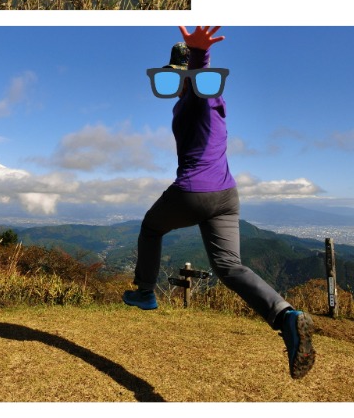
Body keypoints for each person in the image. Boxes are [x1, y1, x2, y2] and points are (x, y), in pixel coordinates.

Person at [123, 26, 316, 380]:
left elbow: (204, 85)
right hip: (226, 195)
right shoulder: (198, 105)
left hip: (194, 192)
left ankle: (146, 292)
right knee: (230, 266)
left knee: (151, 227)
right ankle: (287, 316)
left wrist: (199, 54)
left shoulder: (202, 98)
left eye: (178, 76)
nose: (175, 82)